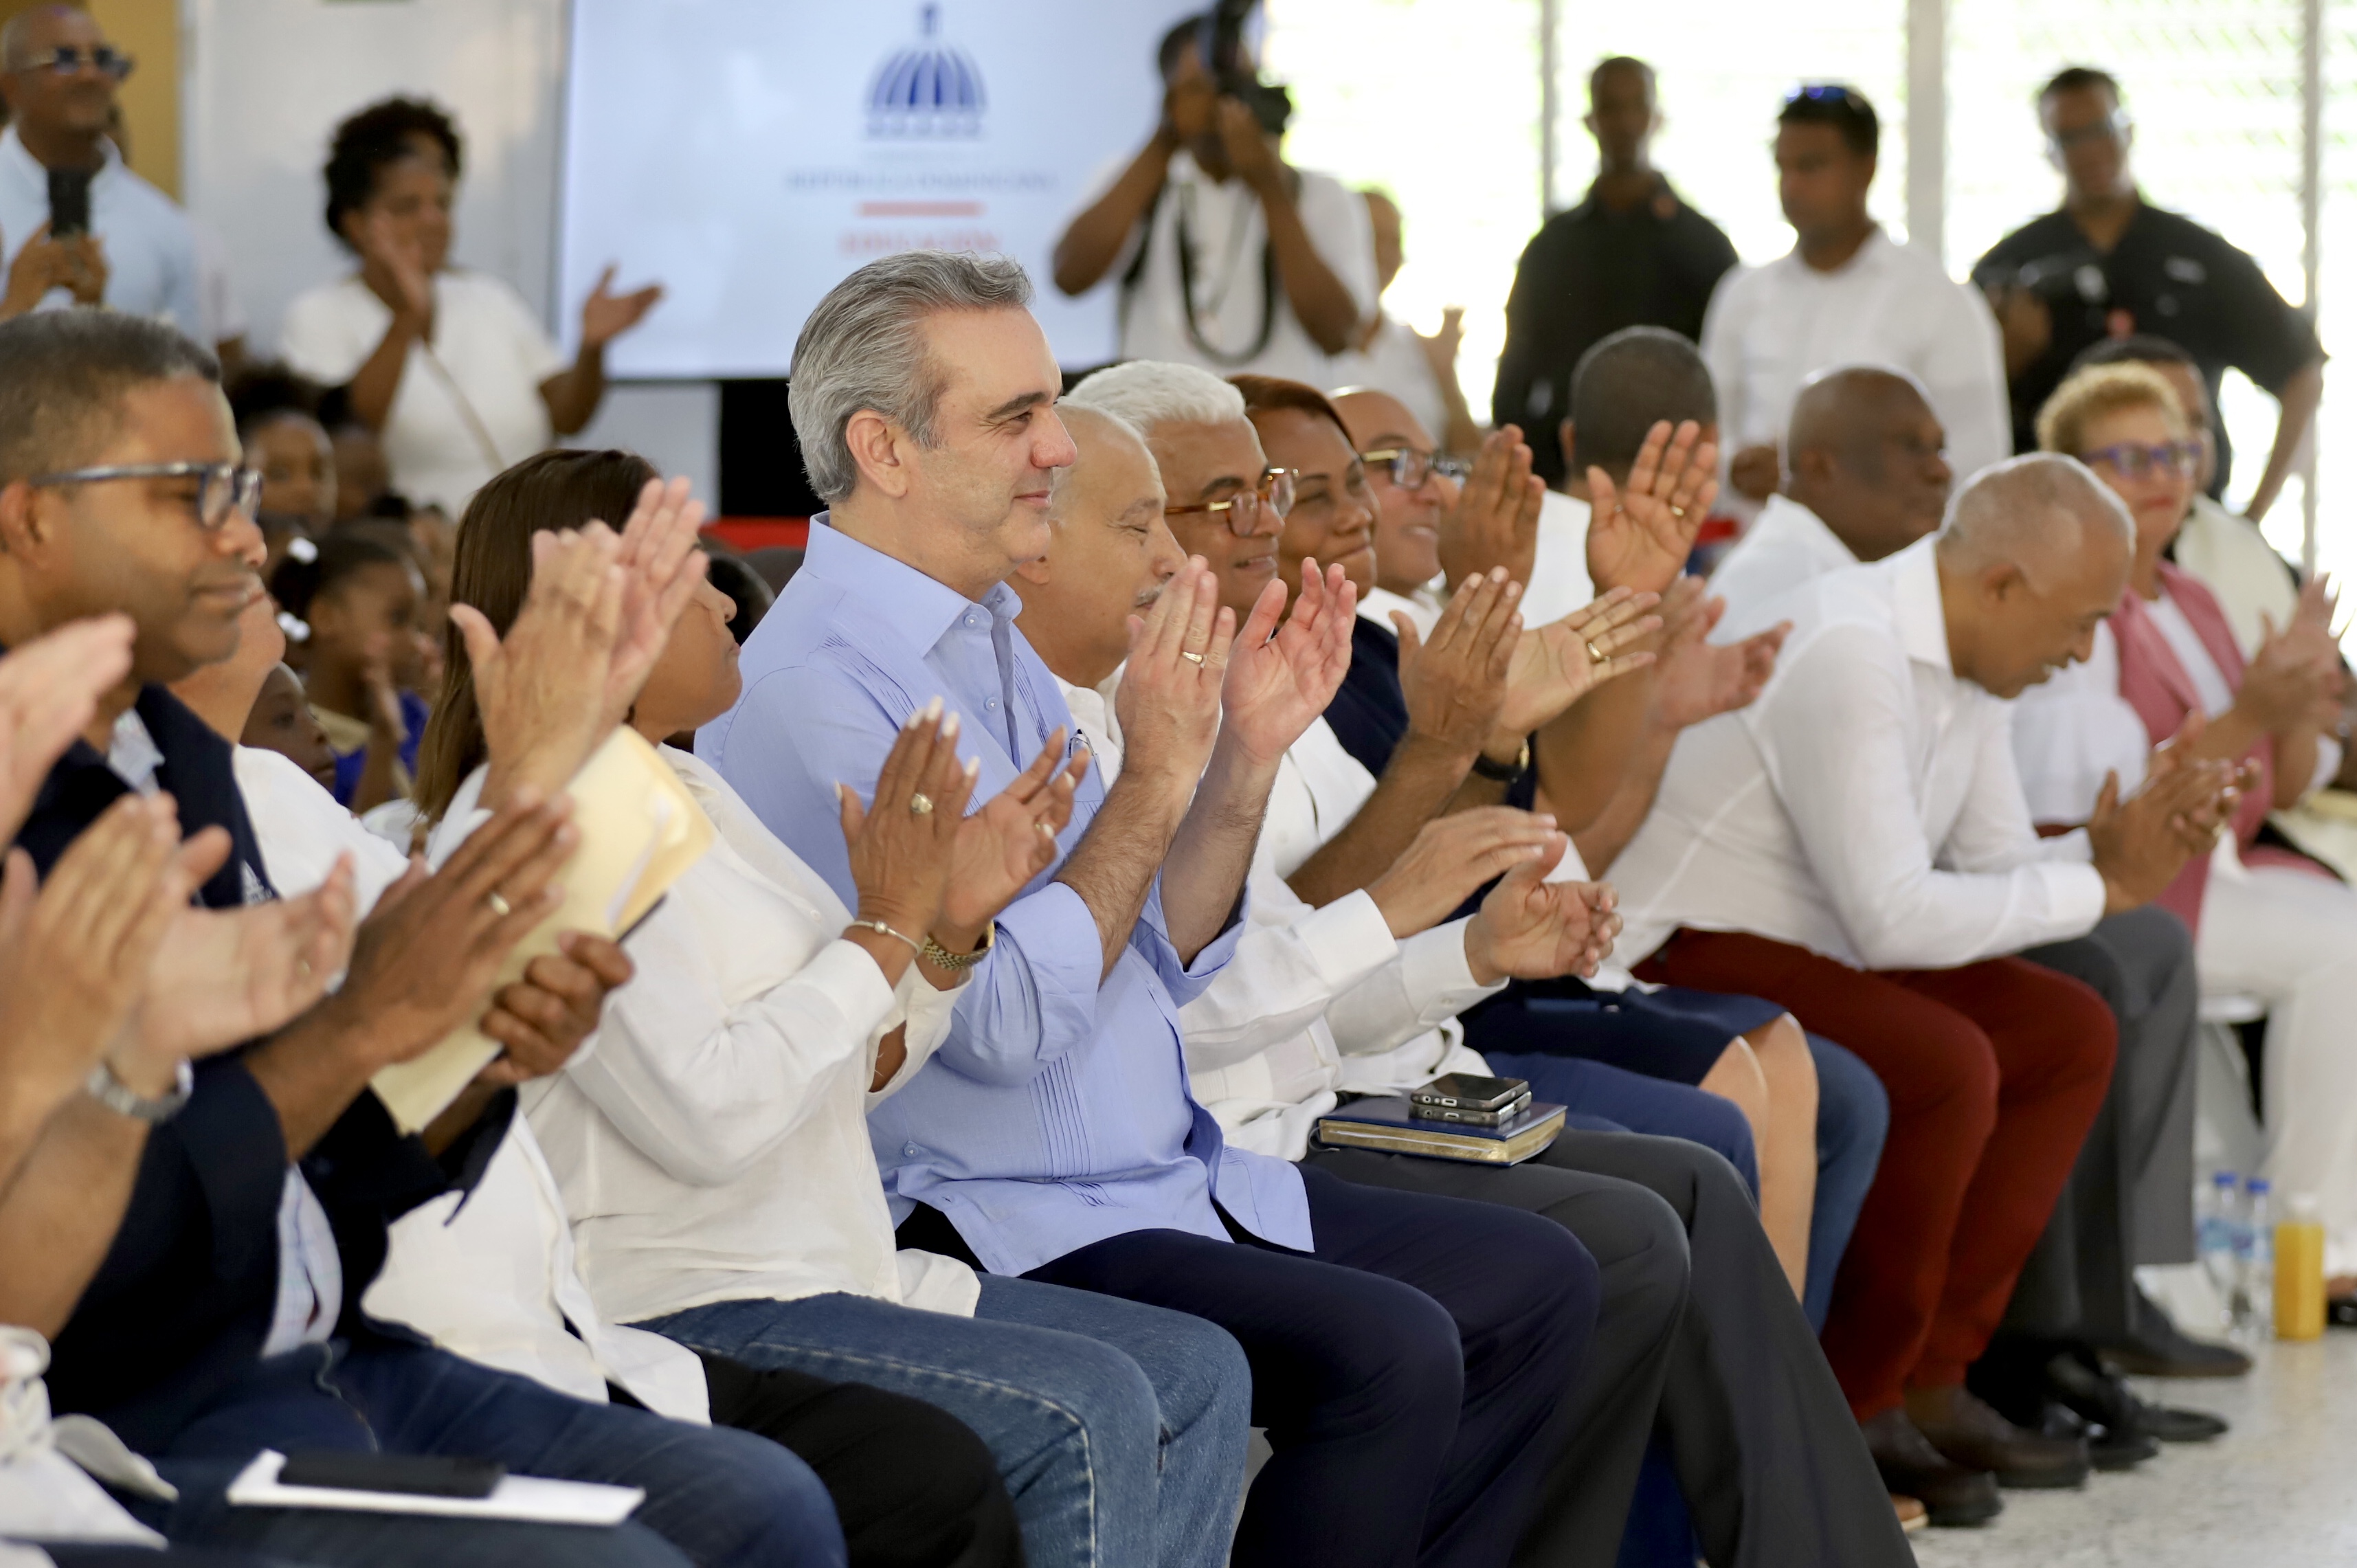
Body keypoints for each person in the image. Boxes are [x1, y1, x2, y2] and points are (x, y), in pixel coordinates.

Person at [704, 249, 1599, 1568]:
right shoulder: (819, 687)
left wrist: (1237, 763)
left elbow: (1156, 949)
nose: (1058, 446)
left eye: (1049, 405)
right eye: (1016, 417)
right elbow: (1000, 1025)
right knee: (1391, 1355)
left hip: (1160, 1170)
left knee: (1541, 1283)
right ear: (882, 449)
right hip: (994, 1205)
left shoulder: (989, 634)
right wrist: (1161, 776)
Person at [0, 307, 848, 1567]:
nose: (250, 538)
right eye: (191, 494)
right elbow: (104, 1271)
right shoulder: (38, 795)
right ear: (30, 518)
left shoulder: (175, 758)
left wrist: (469, 1066)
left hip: (335, 1347)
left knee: (765, 1507)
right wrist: (360, 1023)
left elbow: (311, 1180)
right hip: (142, 1414)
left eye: (242, 491)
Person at [1018, 397, 1914, 1565]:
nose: (1259, 523)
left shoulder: (1270, 681)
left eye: (1279, 493)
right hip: (1252, 1134)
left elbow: (1285, 957)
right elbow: (1204, 1007)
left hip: (1334, 1080)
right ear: (1034, 538)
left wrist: (1472, 942)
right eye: (1198, 507)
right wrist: (1439, 817)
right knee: (1626, 1228)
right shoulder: (1136, 718)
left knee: (1680, 1187)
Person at [405, 446, 1243, 1568]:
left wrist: (945, 930)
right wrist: (888, 924)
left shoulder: (684, 785)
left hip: (832, 1263)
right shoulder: (548, 823)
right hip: (689, 1291)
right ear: (593, 613)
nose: (724, 599)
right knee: (1081, 1413)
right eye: (690, 575)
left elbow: (848, 1072)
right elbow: (713, 1117)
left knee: (1198, 1370)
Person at [1608, 454, 2242, 1523]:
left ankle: (1938, 1375)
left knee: (2065, 1028)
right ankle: (1857, 1398)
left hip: (1812, 935)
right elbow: (1892, 917)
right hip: (1682, 940)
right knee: (1945, 1062)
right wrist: (2104, 881)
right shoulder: (1852, 648)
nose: (2082, 650)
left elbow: (1990, 862)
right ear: (2001, 585)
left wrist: (2108, 852)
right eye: (2080, 622)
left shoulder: (1972, 654)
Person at [2014, 364, 2357, 1301]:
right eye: (2127, 458)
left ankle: (2298, 1234)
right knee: (2342, 949)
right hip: (2139, 873)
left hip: (2226, 862)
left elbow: (2283, 781)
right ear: (2070, 475)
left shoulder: (2193, 597)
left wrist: (2298, 699)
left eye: (2173, 452)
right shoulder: (2082, 610)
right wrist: (2252, 708)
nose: (2161, 475)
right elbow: (2120, 796)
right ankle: (2313, 1242)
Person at [278, 98, 662, 513]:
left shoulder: (490, 297)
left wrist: (592, 347)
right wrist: (408, 317)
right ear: (355, 223)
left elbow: (568, 416)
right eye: (408, 207)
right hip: (417, 540)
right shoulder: (318, 314)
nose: (433, 220)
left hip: (526, 532)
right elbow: (347, 438)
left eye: (442, 204)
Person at [1972, 68, 2325, 517]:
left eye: (2100, 129)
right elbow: (1954, 403)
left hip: (2187, 515)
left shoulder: (2200, 255)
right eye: (2070, 138)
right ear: (2050, 151)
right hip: (2053, 521)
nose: (2090, 151)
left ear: (2128, 131)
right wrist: (2008, 357)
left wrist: (2252, 520)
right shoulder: (2011, 269)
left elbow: (2301, 371)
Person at [1701, 85, 2009, 522]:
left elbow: (1979, 462)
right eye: (1783, 167)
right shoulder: (1743, 294)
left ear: (1866, 169)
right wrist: (1736, 469)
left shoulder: (1940, 300)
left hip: (1889, 557)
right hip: (1751, 548)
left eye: (1811, 166)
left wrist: (1844, 483)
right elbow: (1705, 438)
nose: (1792, 187)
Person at [1051, 16, 1373, 384]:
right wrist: (1164, 142)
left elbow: (1339, 336)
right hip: (1155, 414)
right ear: (1170, 96)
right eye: (1200, 87)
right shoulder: (1133, 178)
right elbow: (1068, 278)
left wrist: (1271, 189)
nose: (1223, 100)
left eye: (1238, 83)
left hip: (1275, 416)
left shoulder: (1318, 192)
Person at [1492, 56, 1739, 488]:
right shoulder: (1552, 246)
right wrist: (1535, 468)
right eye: (1610, 107)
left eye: (1636, 106)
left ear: (1656, 118)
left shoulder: (1703, 245)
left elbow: (1725, 374)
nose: (1625, 123)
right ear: (1591, 121)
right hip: (1565, 476)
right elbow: (1516, 375)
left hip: (1671, 474)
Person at [2070, 335, 2299, 656]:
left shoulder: (2243, 545)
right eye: (2166, 418)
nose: (2183, 443)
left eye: (2197, 422)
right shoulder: (2057, 580)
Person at [0, 7, 200, 338]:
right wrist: (13, 309)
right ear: (11, 86)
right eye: (64, 59)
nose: (89, 75)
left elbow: (188, 366)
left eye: (103, 59)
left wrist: (95, 317)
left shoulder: (164, 224)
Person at [1705, 366, 1950, 622]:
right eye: (1911, 447)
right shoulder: (1808, 596)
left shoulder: (1821, 574)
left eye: (1940, 450)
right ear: (1819, 470)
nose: (1941, 471)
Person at [268, 527, 433, 811]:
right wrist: (384, 742)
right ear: (326, 618)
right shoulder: (302, 738)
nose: (418, 643)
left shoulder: (412, 712)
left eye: (418, 626)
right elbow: (352, 835)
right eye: (398, 619)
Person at [1326, 190, 1480, 455]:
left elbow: (1470, 455)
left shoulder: (1418, 347)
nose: (1384, 253)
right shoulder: (1300, 346)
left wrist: (1446, 375)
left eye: (1394, 241)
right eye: (1372, 238)